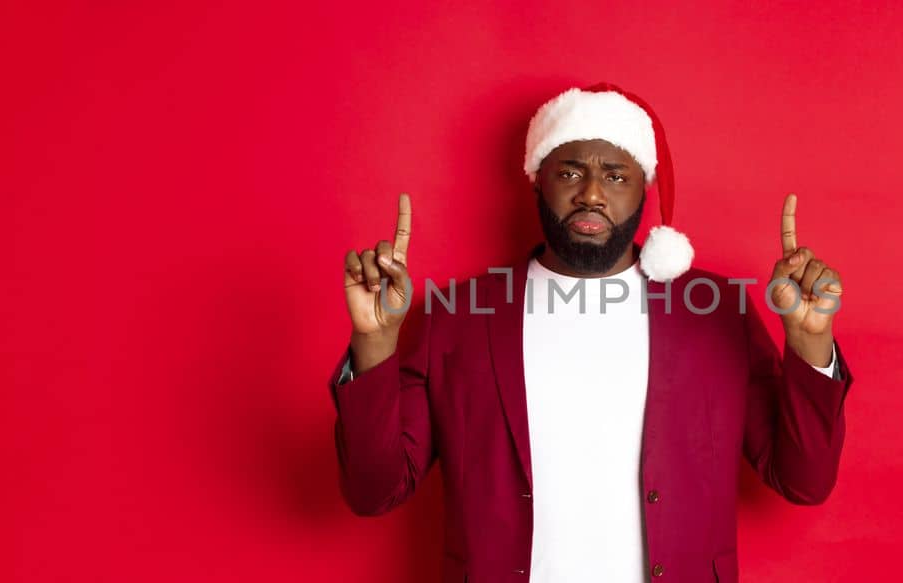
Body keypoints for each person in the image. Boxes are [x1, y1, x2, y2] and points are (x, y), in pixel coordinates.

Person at [332, 83, 852, 582]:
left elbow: (803, 480)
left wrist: (809, 344)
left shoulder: (716, 314)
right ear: (539, 179)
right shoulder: (459, 316)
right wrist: (374, 343)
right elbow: (374, 491)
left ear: (643, 187)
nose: (593, 194)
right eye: (571, 171)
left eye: (617, 176)